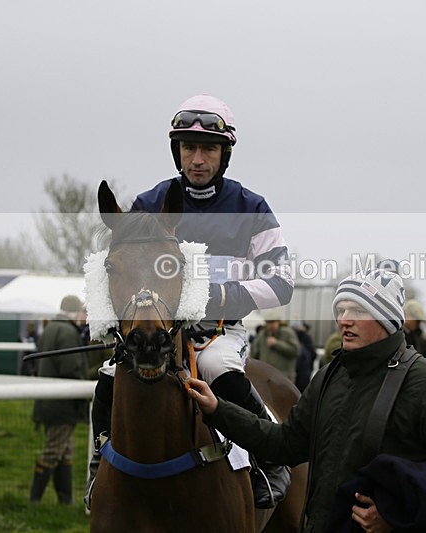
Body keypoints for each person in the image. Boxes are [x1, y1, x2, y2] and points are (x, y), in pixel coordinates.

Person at [88, 94, 294, 510]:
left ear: (224, 154)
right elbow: (121, 268)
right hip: (157, 330)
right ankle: (99, 463)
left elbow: (282, 283)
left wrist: (217, 296)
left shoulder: (252, 207)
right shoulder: (148, 204)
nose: (197, 159)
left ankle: (269, 461)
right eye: (189, 148)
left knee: (217, 367)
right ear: (177, 151)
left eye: (208, 149)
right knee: (109, 376)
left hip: (220, 332)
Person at [187, 269, 426, 531]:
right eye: (341, 311)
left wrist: (396, 513)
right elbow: (285, 444)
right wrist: (218, 410)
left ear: (387, 319)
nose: (344, 320)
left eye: (358, 311)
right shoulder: (329, 377)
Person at [29, 295, 89, 504]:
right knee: (54, 451)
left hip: (48, 399)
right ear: (75, 312)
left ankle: (65, 500)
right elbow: (71, 368)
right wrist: (85, 388)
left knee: (65, 451)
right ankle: (34, 500)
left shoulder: (50, 328)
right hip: (61, 403)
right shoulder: (68, 332)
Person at [250, 314, 301, 384]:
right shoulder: (262, 335)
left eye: (272, 322)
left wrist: (277, 344)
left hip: (284, 377)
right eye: (268, 322)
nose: (270, 325)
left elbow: (296, 351)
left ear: (278, 322)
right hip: (266, 377)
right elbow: (254, 353)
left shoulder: (287, 333)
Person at [291, 320, 317, 392]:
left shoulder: (291, 337)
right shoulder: (306, 337)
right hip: (305, 370)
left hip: (298, 370)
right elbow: (313, 353)